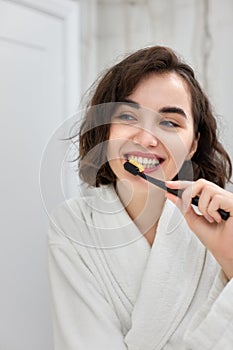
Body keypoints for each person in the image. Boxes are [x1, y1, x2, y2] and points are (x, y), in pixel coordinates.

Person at [47, 46, 233, 350]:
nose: (147, 139)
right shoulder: (72, 225)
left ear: (192, 145)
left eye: (170, 122)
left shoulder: (223, 221)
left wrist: (230, 260)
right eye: (129, 116)